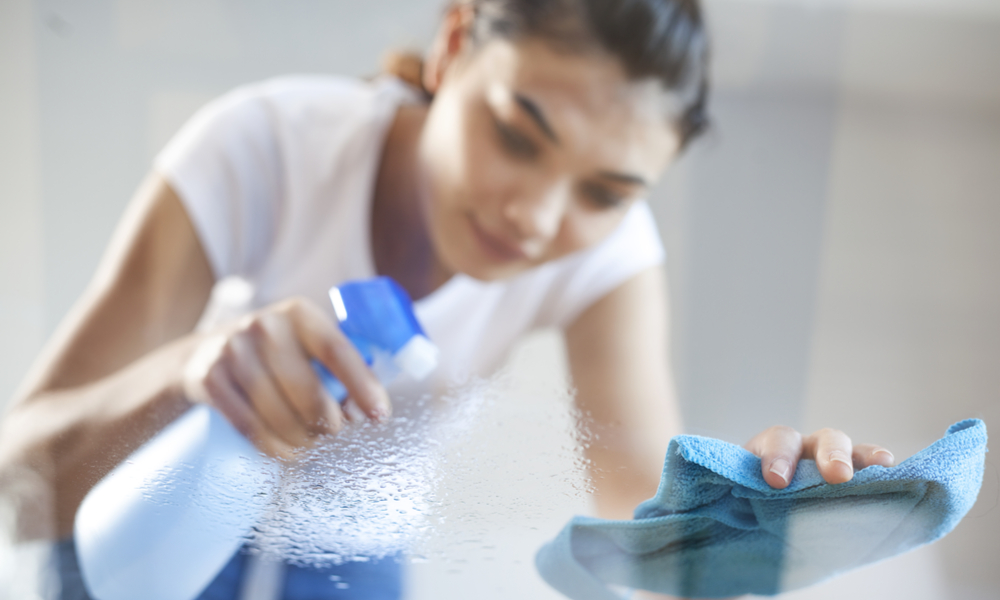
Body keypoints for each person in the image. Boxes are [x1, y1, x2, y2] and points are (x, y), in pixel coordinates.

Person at [0, 0, 896, 598]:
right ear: (455, 40)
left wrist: (757, 512)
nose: (537, 218)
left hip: (352, 563)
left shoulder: (609, 256)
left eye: (606, 192)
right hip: (148, 527)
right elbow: (19, 487)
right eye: (515, 134)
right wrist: (193, 374)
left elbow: (642, 517)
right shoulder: (264, 148)